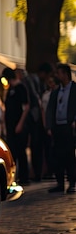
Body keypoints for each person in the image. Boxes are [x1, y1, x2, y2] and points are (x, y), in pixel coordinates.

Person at [45, 63, 76, 194]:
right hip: (57, 127)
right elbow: (50, 109)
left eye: (59, 73)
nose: (57, 76)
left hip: (69, 126)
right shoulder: (56, 91)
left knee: (69, 155)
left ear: (65, 74)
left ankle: (72, 182)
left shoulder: (74, 89)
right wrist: (49, 126)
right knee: (57, 155)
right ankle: (60, 183)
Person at [2, 67, 30, 186]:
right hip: (10, 125)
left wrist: (20, 123)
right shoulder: (10, 90)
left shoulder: (20, 88)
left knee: (21, 151)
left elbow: (26, 106)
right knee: (13, 150)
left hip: (18, 124)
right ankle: (15, 176)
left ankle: (24, 176)